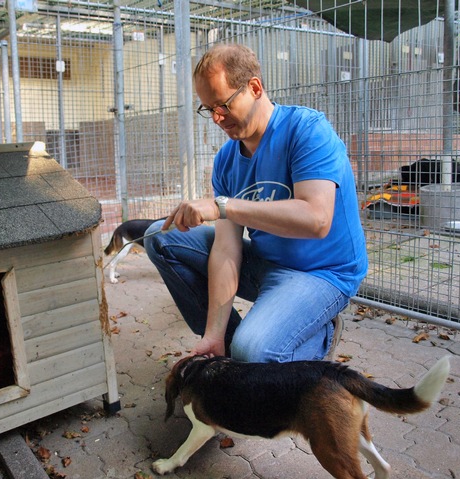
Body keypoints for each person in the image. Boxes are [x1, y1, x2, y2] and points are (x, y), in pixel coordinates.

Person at [144, 43, 368, 363]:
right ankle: (228, 355)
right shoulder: (226, 161)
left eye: (222, 104)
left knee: (253, 350)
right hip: (267, 264)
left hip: (323, 273)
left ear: (254, 87)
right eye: (208, 108)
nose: (217, 118)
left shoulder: (306, 130)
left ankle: (318, 334)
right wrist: (214, 333)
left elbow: (317, 219)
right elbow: (225, 249)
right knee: (160, 236)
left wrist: (223, 206)